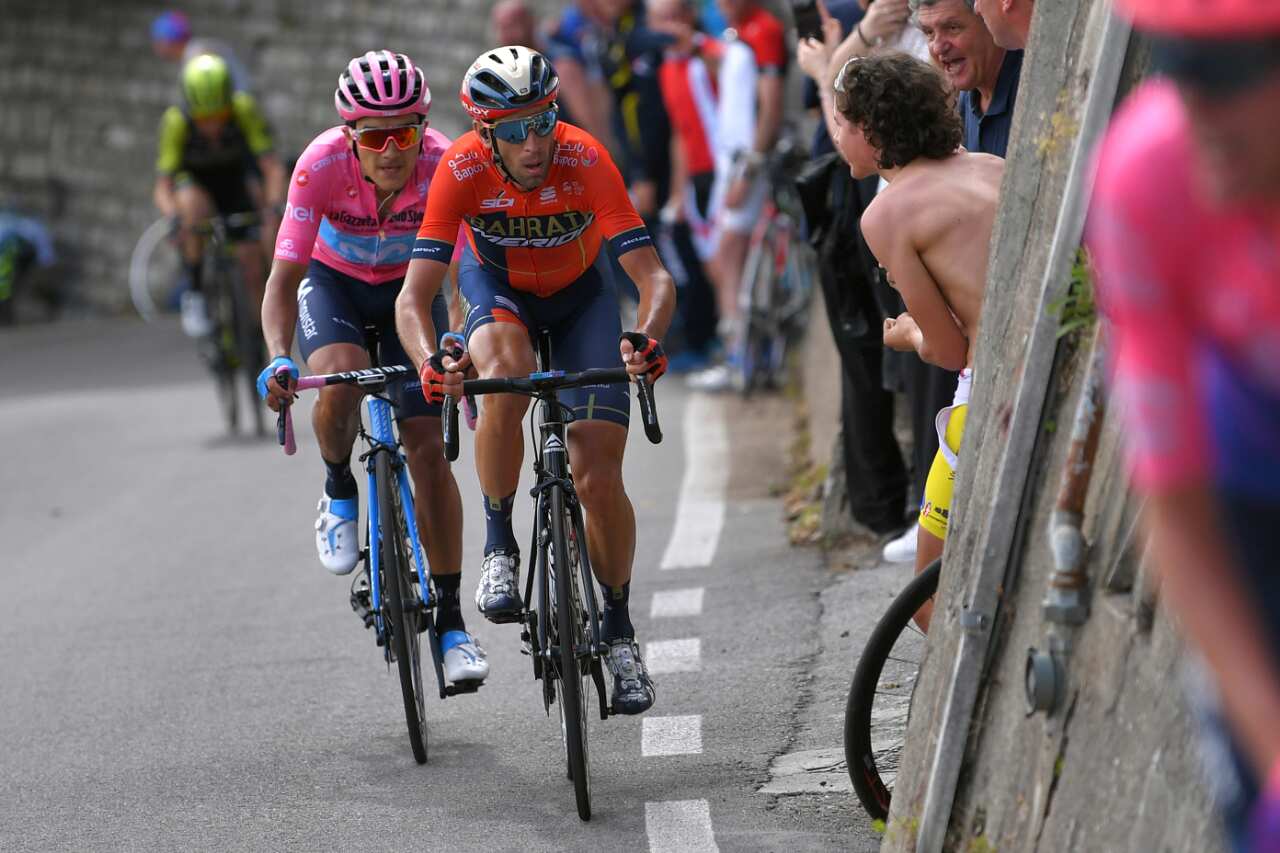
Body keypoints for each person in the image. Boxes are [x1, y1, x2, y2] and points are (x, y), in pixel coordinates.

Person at [396, 46, 676, 714]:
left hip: (582, 299)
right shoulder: (460, 168)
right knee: (505, 370)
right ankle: (499, 543)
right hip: (499, 292)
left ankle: (618, 631)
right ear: (484, 130)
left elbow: (653, 278)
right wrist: (430, 360)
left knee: (597, 475)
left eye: (544, 119)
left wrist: (648, 338)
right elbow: (413, 300)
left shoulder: (583, 157)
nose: (535, 141)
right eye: (515, 128)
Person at [1086, 4, 1280, 848]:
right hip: (1250, 477)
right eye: (1177, 66)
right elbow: (1180, 520)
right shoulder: (1144, 173)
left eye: (1227, 77)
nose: (1197, 109)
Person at [256, 51, 486, 687]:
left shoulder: (444, 163)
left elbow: (466, 271)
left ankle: (450, 622)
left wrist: (461, 338)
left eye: (404, 133)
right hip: (337, 287)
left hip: (414, 293)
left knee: (427, 449)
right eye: (374, 136)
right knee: (336, 378)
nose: (391, 149)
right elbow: (284, 280)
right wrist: (278, 356)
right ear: (349, 136)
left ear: (422, 129)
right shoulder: (319, 165)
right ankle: (337, 488)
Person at [832, 53, 1003, 629]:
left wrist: (906, 333)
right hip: (1053, 363)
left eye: (841, 122)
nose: (837, 135)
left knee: (927, 604)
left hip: (986, 393)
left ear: (873, 131)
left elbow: (950, 349)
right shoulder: (990, 165)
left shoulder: (887, 214)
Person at [686, 0, 788, 391]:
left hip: (747, 162)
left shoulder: (765, 30)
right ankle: (737, 347)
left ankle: (737, 354)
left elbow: (771, 101)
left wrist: (752, 166)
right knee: (724, 253)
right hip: (731, 159)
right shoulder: (739, 33)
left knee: (727, 251)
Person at [154, 53, 286, 339]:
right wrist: (173, 217)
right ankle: (196, 290)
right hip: (196, 186)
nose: (212, 126)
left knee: (252, 261)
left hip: (234, 182)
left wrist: (275, 205)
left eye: (220, 117)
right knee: (191, 204)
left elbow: (271, 167)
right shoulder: (176, 122)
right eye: (204, 119)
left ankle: (257, 334)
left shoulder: (244, 110)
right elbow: (163, 185)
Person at [649, 0, 723, 369]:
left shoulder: (706, 50)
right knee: (692, 253)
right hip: (696, 174)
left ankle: (719, 341)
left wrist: (693, 44)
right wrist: (679, 192)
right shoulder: (668, 65)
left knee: (719, 261)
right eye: (662, 20)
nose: (669, 26)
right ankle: (703, 341)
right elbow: (680, 131)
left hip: (723, 169)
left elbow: (731, 72)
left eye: (676, 16)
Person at [150, 11, 253, 93]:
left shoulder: (197, 57)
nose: (156, 47)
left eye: (158, 41)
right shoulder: (196, 52)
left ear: (169, 41)